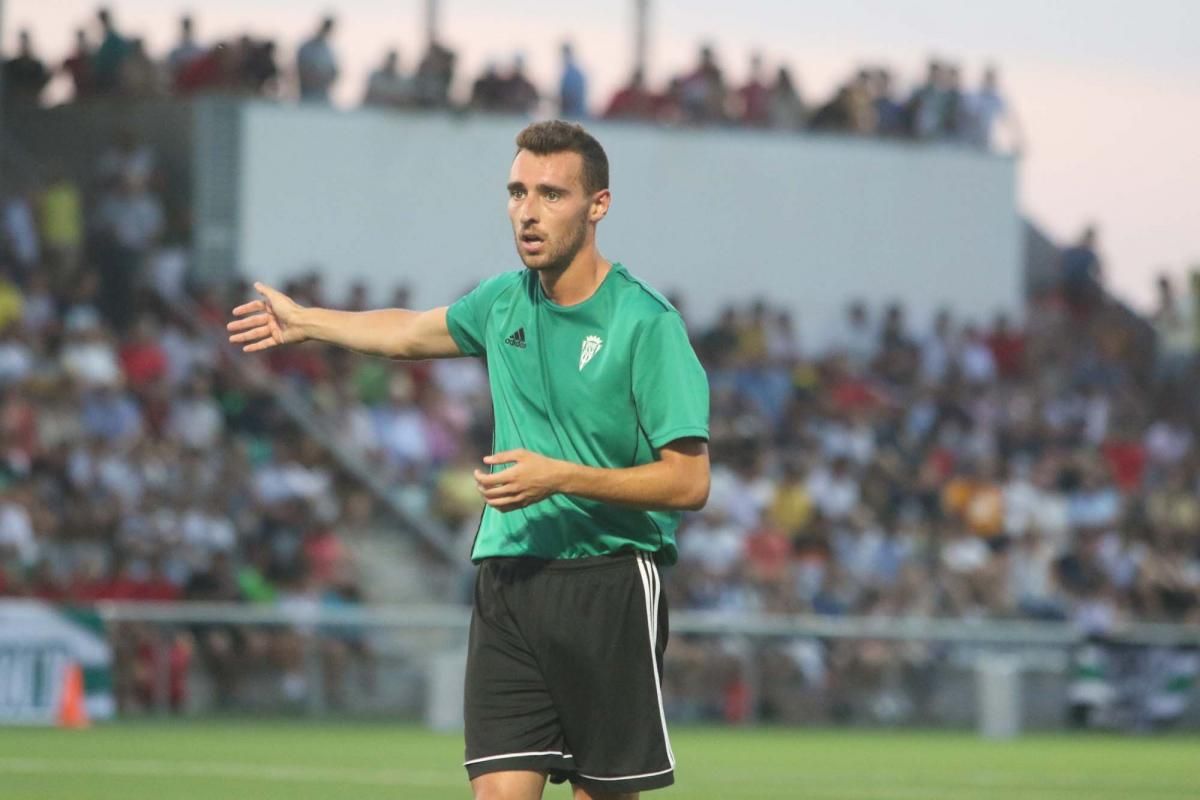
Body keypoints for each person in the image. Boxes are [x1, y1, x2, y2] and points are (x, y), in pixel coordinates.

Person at [229, 120, 711, 798]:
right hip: (509, 577)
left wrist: (560, 477)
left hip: (609, 580)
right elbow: (406, 331)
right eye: (517, 192)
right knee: (495, 791)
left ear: (597, 205)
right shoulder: (502, 301)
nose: (528, 211)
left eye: (551, 193)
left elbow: (689, 481)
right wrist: (309, 321)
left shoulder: (646, 323)